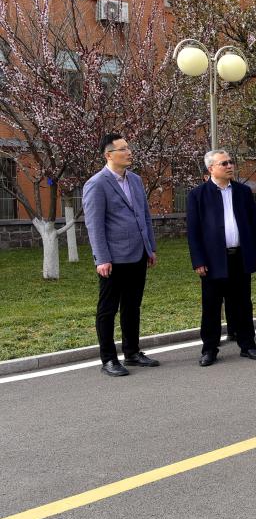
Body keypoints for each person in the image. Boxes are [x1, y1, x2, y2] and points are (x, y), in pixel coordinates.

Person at [82, 133, 159, 377]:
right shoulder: (97, 183)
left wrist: (150, 247)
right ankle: (108, 359)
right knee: (108, 309)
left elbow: (144, 216)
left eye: (128, 147)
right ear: (109, 155)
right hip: (113, 259)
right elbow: (94, 225)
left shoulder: (135, 180)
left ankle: (132, 352)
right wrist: (101, 258)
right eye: (123, 149)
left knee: (132, 306)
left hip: (138, 254)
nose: (129, 152)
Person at [186, 150, 256, 367]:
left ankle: (247, 344)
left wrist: (255, 253)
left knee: (242, 303)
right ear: (211, 168)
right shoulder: (198, 195)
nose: (230, 166)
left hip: (240, 256)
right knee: (211, 306)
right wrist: (198, 260)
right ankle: (209, 349)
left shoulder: (243, 192)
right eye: (224, 163)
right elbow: (193, 232)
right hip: (212, 260)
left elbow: (253, 226)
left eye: (231, 162)